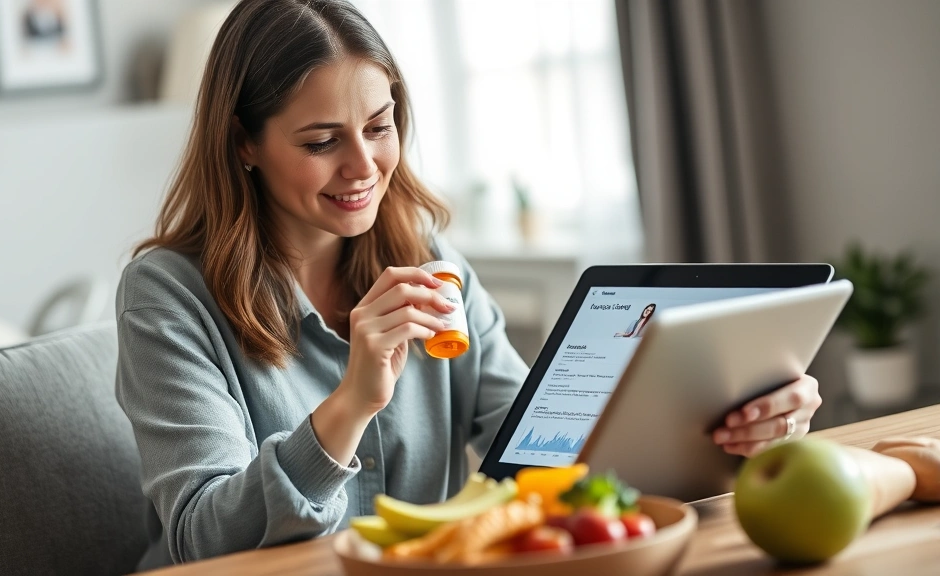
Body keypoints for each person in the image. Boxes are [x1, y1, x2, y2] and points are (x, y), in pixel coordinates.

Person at [115, 0, 824, 568]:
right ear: (244, 142)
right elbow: (203, 539)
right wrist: (353, 402)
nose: (364, 166)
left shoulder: (426, 258)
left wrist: (724, 426)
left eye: (380, 126)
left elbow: (540, 447)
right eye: (321, 142)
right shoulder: (168, 296)